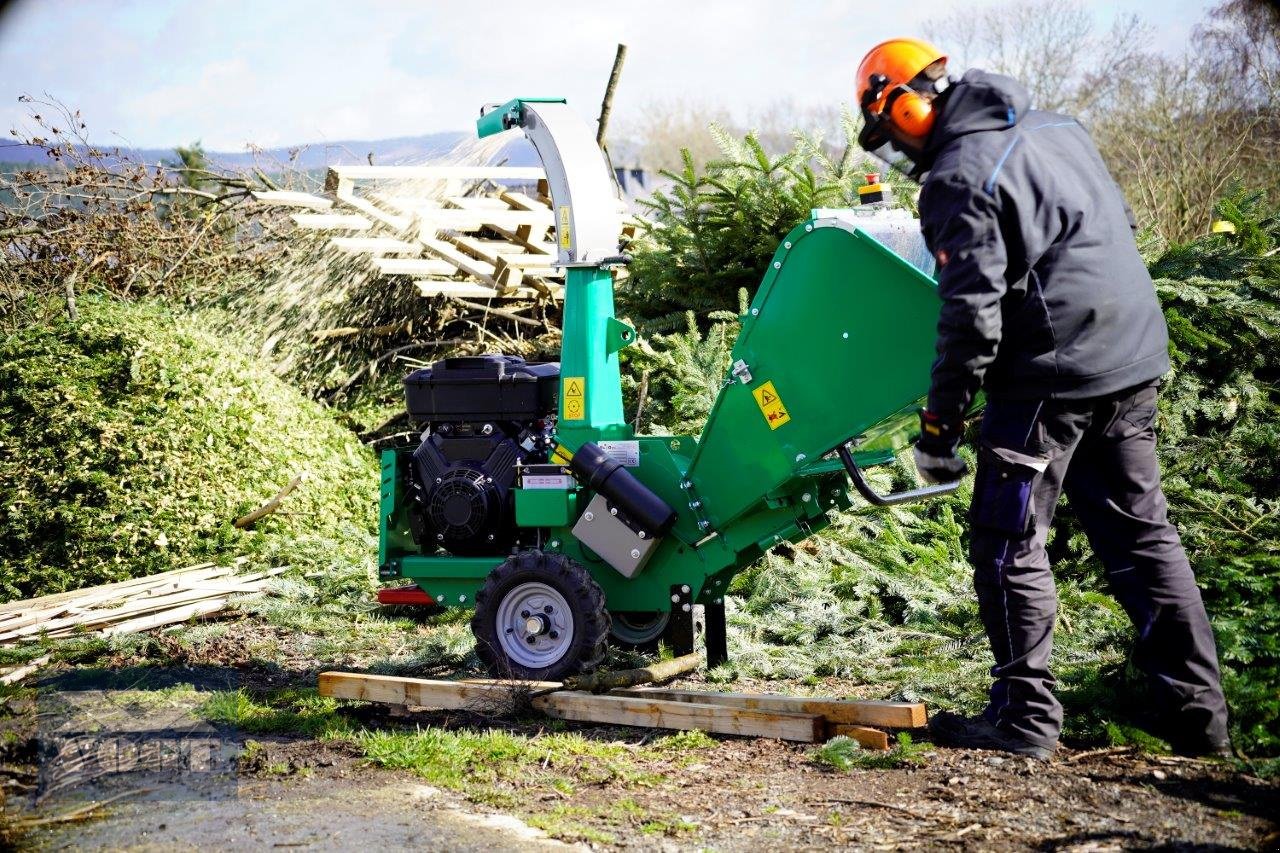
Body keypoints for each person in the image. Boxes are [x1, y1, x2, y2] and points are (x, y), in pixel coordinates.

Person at [854, 38, 1231, 759]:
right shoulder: (1057, 125)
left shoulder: (959, 176)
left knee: (1006, 539)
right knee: (1143, 534)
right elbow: (1114, 222)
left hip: (1050, 379)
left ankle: (1024, 719)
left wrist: (940, 423)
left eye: (889, 129)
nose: (894, 145)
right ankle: (1198, 720)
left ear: (905, 101)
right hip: (1132, 355)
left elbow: (971, 319)